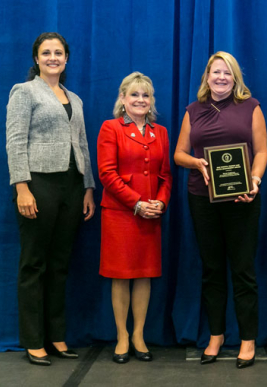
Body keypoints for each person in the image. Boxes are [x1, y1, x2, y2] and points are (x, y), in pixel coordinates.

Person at [6, 32, 96, 366]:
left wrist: (88, 188)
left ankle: (56, 336)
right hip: (38, 183)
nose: (53, 57)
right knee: (34, 264)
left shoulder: (75, 98)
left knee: (60, 265)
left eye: (59, 52)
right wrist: (22, 188)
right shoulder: (24, 92)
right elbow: (15, 141)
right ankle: (33, 340)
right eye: (47, 53)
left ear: (67, 58)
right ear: (36, 59)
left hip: (72, 187)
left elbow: (83, 144)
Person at [174, 51, 267, 369]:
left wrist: (254, 180)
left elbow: (262, 150)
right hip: (202, 199)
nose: (221, 78)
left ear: (235, 77)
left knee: (243, 270)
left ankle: (247, 339)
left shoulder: (251, 107)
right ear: (207, 77)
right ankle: (216, 336)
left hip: (242, 201)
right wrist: (196, 162)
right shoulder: (193, 110)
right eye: (216, 72)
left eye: (227, 73)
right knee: (212, 270)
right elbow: (179, 154)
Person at [97, 72, 172, 364]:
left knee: (145, 274)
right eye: (134, 95)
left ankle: (139, 334)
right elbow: (106, 173)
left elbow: (166, 175)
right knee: (121, 276)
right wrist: (137, 203)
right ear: (123, 99)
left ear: (151, 101)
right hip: (120, 214)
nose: (141, 100)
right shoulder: (110, 128)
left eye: (146, 95)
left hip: (151, 215)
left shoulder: (161, 132)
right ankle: (122, 336)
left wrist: (161, 203)